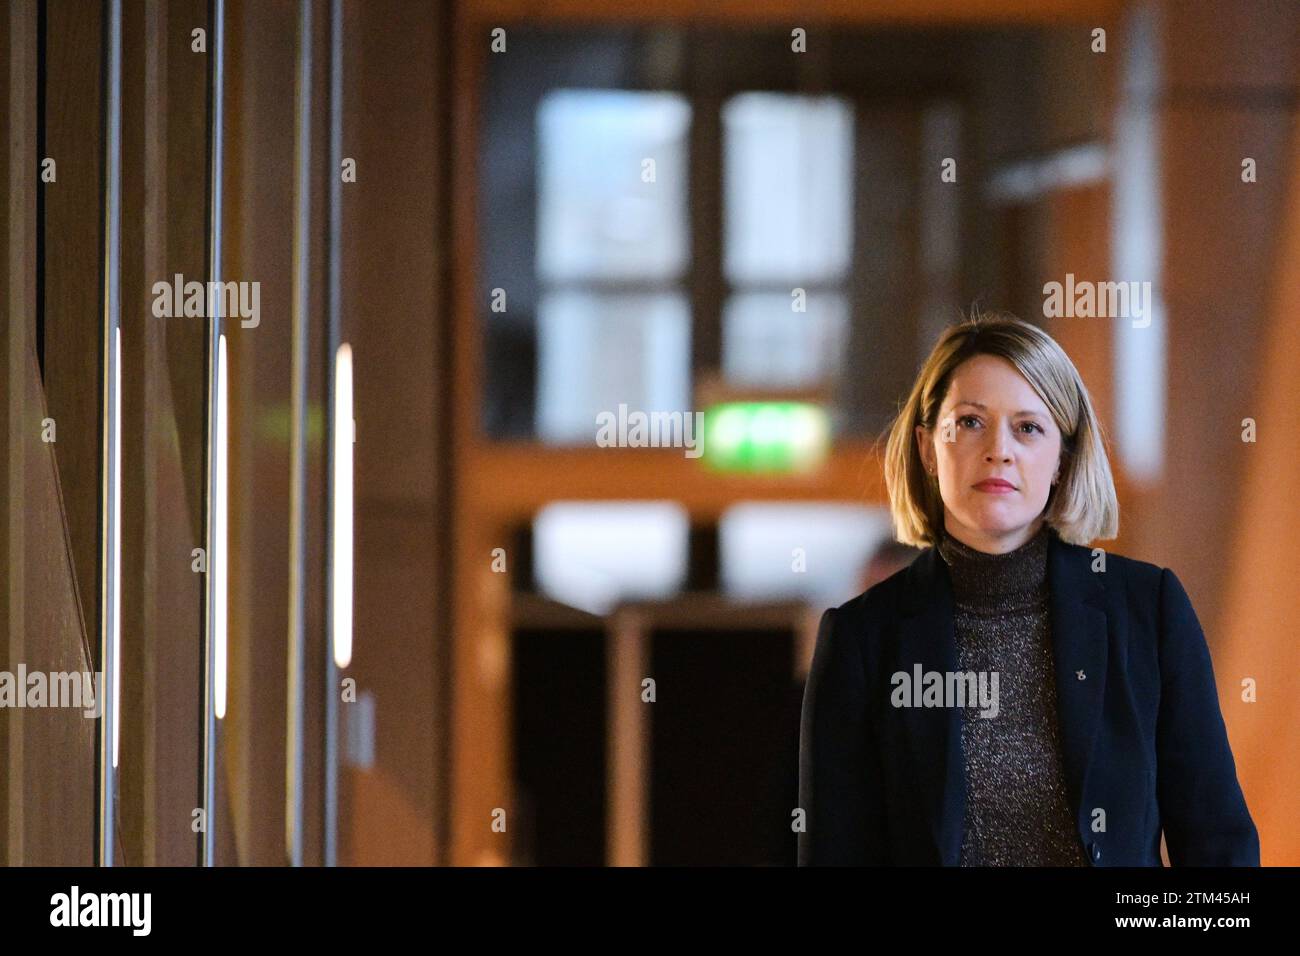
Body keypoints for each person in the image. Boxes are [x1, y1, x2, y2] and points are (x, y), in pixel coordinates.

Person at [797, 311, 1259, 866]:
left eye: (1028, 427)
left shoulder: (1147, 610)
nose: (999, 450)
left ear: (1062, 459)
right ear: (926, 447)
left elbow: (1218, 847)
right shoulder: (860, 639)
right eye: (969, 422)